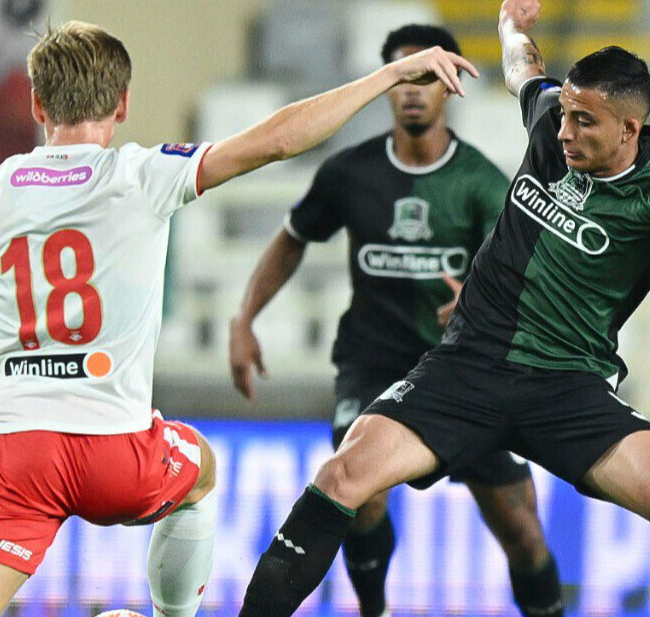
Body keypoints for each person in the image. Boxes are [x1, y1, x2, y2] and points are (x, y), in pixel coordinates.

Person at [233, 0, 650, 616]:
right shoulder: (553, 123)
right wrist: (510, 25)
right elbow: (524, 68)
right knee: (343, 475)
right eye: (565, 114)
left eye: (584, 121)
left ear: (629, 129)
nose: (565, 129)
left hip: (567, 388)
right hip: (467, 368)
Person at [0, 20, 478, 617]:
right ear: (122, 104)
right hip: (120, 454)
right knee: (200, 469)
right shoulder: (144, 174)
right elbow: (280, 140)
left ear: (37, 104)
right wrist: (387, 76)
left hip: (18, 455)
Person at [229, 23, 564, 617]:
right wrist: (244, 318)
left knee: (523, 532)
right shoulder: (350, 173)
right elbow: (293, 236)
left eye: (426, 77)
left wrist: (481, 299)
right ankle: (374, 610)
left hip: (463, 371)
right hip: (372, 365)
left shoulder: (482, 182)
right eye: (403, 77)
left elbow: (523, 273)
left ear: (449, 84)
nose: (412, 90)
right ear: (388, 86)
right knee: (358, 493)